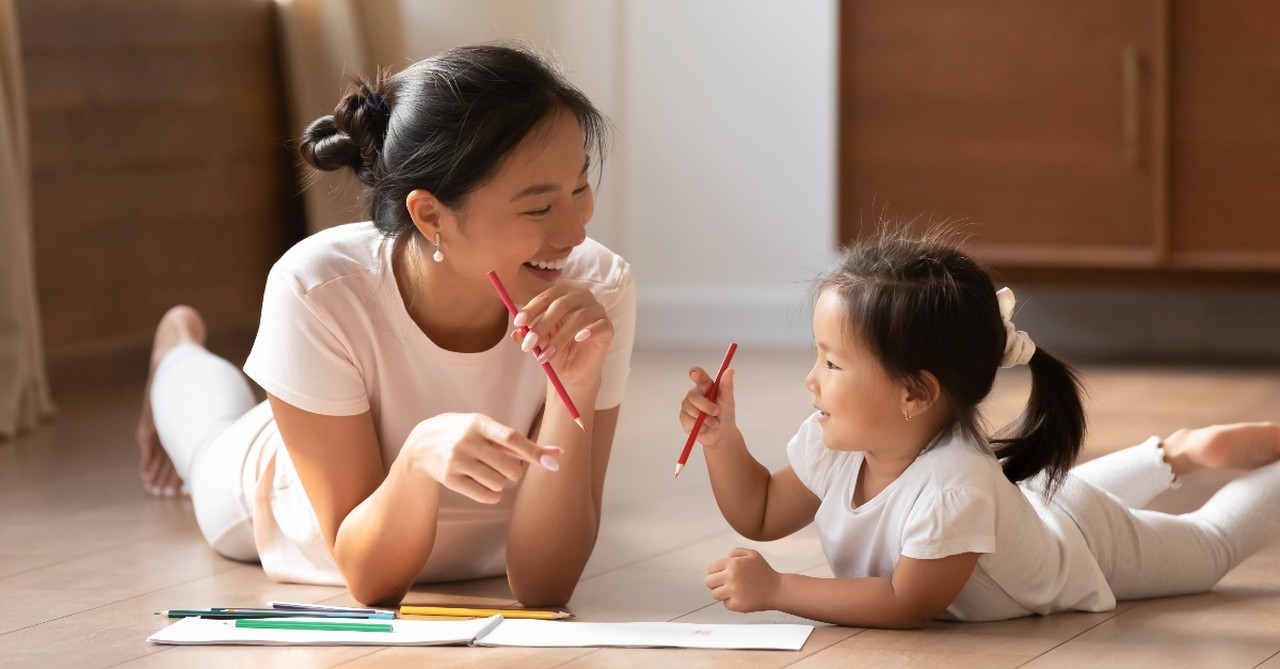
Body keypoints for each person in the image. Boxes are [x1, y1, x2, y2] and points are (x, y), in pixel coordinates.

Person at [135, 43, 635, 607]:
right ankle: (175, 350)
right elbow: (370, 579)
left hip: (478, 552)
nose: (573, 231)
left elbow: (546, 587)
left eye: (579, 187)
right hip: (285, 502)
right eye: (539, 209)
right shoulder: (318, 288)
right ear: (430, 215)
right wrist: (417, 459)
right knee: (206, 439)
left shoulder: (597, 286)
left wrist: (578, 385)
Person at [678, 228, 1280, 628]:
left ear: (916, 392)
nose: (811, 380)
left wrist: (779, 589)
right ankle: (1175, 454)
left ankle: (1184, 456)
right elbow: (758, 512)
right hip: (1036, 504)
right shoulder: (841, 444)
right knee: (1064, 501)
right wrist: (721, 438)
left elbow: (905, 601)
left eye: (832, 363)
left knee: (1211, 545)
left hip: (1085, 543)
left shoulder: (953, 487)